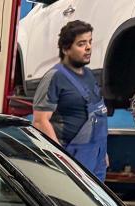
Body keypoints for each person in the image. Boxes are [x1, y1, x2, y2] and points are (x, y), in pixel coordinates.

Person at [32, 20, 109, 181]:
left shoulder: (89, 75)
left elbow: (97, 114)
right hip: (71, 158)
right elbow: (40, 121)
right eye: (81, 44)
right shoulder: (55, 77)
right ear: (66, 49)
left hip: (96, 157)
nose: (88, 47)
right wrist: (61, 158)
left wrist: (102, 152)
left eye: (90, 42)